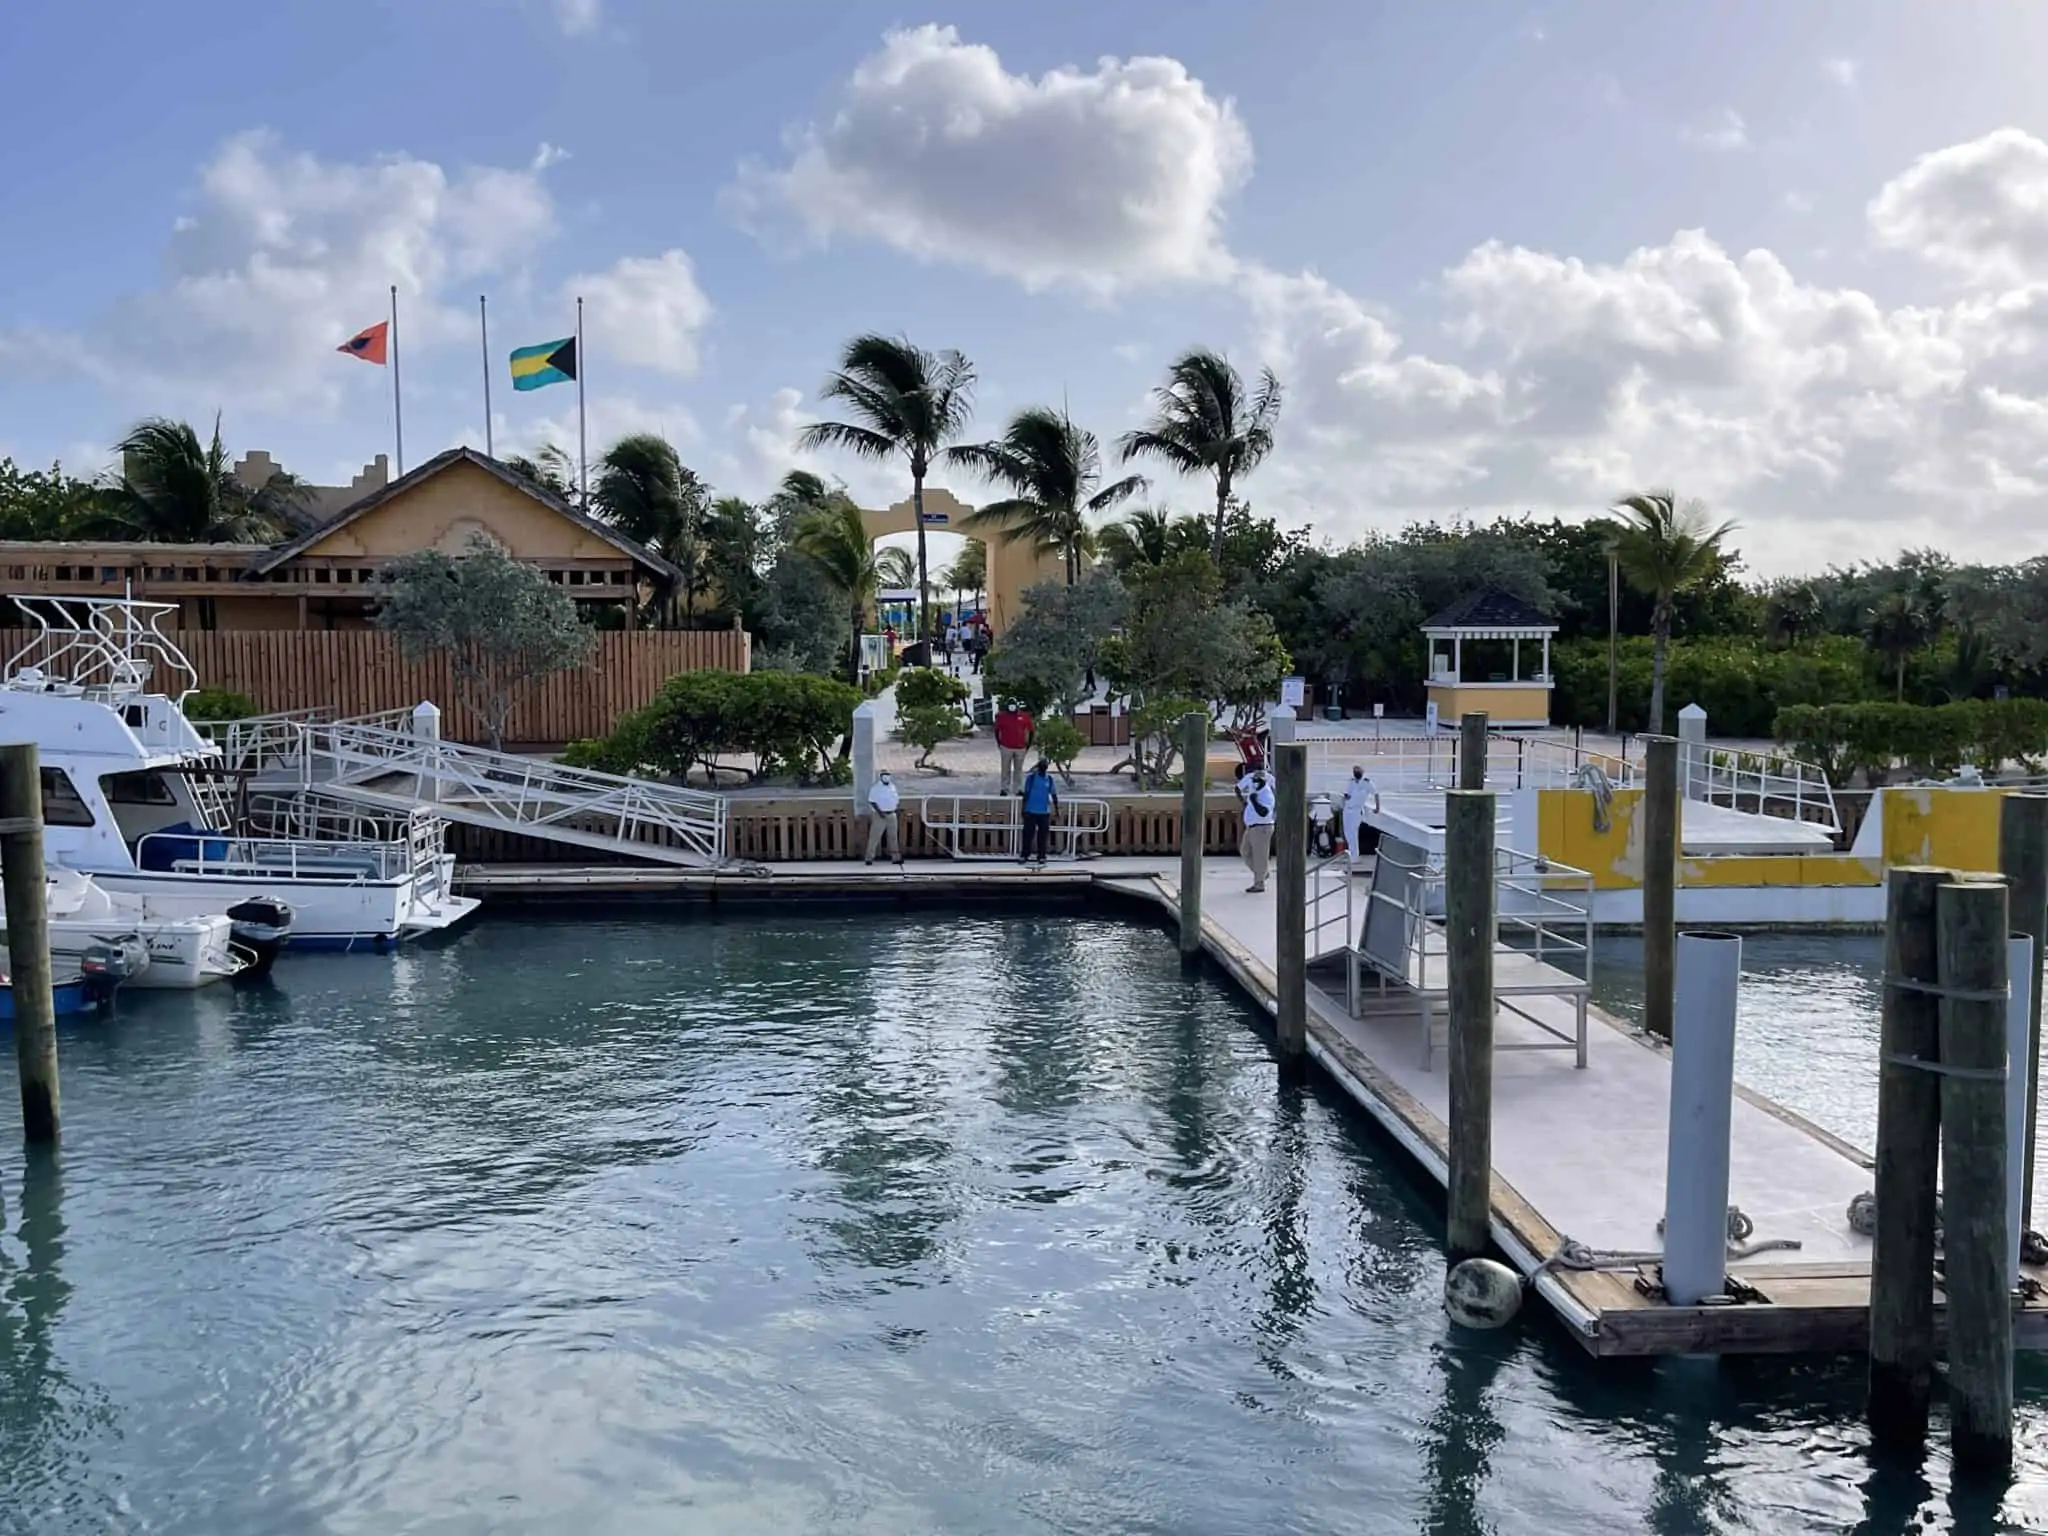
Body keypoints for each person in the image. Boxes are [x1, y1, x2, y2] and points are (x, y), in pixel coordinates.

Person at [1239, 767, 1276, 892]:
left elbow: (1264, 812)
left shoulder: (1267, 795)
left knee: (1260, 856)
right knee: (1245, 851)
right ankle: (1262, 873)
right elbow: (1237, 788)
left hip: (1262, 828)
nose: (1254, 783)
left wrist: (1254, 801)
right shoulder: (1255, 791)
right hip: (1251, 827)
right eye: (1253, 781)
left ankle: (1259, 884)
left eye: (1258, 781)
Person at [1020, 756, 1058, 865]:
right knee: (1027, 835)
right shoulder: (1031, 778)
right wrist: (1023, 809)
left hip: (1044, 812)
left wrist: (1056, 809)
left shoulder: (1049, 779)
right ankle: (1024, 855)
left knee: (1043, 836)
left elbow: (1054, 794)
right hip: (1030, 811)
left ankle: (1041, 856)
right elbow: (1026, 794)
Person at [1341, 764, 1380, 865]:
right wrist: (1346, 797)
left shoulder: (1367, 782)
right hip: (1347, 809)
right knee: (1347, 833)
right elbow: (1347, 794)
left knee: (1353, 833)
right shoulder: (1351, 782)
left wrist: (1377, 807)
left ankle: (1354, 857)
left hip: (1356, 810)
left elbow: (1376, 793)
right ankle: (1350, 854)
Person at [994, 698, 1034, 794]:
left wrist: (1028, 744)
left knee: (1018, 770)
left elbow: (1031, 730)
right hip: (1006, 747)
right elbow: (996, 730)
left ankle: (1018, 789)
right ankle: (1004, 789)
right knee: (1005, 769)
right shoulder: (1002, 717)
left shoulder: (1024, 716)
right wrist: (999, 743)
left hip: (1020, 748)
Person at [864, 769, 903, 866]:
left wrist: (896, 809)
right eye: (884, 775)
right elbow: (872, 801)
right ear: (880, 777)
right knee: (874, 837)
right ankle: (869, 857)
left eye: (888, 775)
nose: (886, 777)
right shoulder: (876, 788)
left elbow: (895, 799)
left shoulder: (892, 787)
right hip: (880, 815)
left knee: (893, 837)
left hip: (891, 814)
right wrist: (880, 812)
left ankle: (896, 857)